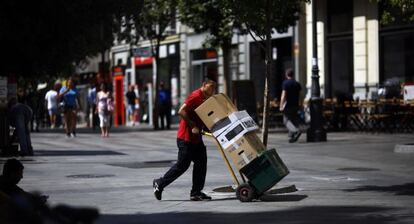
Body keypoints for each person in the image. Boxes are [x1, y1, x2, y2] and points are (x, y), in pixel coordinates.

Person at [153, 79, 216, 201]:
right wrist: (192, 125)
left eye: (213, 88)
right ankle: (159, 183)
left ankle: (196, 192)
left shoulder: (206, 98)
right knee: (182, 165)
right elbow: (181, 111)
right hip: (185, 138)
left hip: (196, 139)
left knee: (201, 163)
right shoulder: (195, 96)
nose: (212, 91)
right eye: (210, 88)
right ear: (203, 86)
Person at [280, 68, 302, 143]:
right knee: (293, 120)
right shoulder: (297, 84)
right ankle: (292, 137)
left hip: (288, 105)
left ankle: (295, 131)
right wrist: (300, 104)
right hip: (295, 105)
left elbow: (283, 95)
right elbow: (300, 95)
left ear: (286, 75)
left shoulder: (285, 83)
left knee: (286, 121)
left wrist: (281, 105)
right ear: (293, 75)